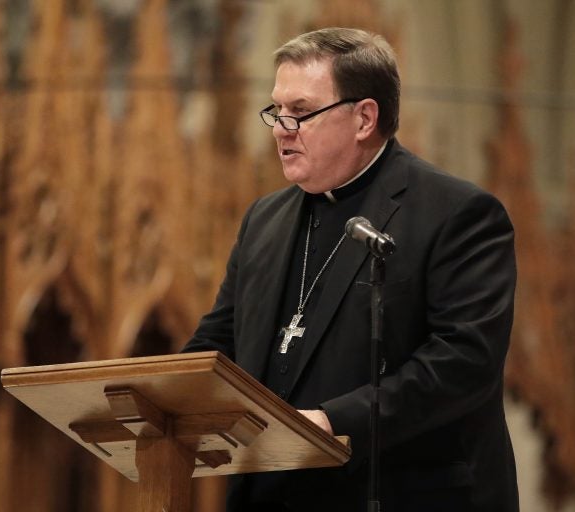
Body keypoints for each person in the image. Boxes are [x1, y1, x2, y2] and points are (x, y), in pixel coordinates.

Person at [182, 27, 519, 511]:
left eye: (300, 112)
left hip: (400, 493)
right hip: (274, 496)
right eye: (277, 110)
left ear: (364, 118)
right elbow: (220, 341)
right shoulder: (264, 219)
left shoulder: (456, 214)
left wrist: (332, 420)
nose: (280, 127)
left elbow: (464, 362)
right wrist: (162, 399)